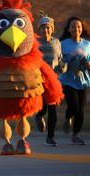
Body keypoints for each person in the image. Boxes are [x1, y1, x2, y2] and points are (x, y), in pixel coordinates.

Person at [33, 13, 67, 146]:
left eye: (48, 28)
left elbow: (60, 59)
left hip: (53, 80)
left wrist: (63, 66)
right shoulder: (35, 43)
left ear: (52, 29)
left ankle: (50, 137)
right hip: (38, 80)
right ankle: (39, 116)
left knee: (52, 108)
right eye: (43, 28)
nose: (45, 30)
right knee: (43, 107)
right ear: (39, 30)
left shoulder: (56, 42)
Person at [59, 16, 90, 145]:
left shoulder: (87, 45)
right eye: (73, 26)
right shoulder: (62, 44)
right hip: (67, 80)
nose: (76, 28)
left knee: (81, 111)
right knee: (74, 107)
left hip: (83, 81)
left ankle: (75, 136)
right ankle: (67, 117)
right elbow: (58, 62)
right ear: (69, 29)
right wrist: (63, 65)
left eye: (78, 26)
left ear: (82, 29)